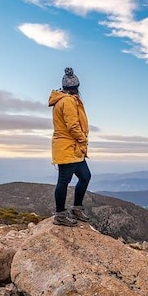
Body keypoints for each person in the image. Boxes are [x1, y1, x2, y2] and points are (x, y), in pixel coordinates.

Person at [48, 67, 92, 226]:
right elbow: (73, 126)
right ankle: (60, 215)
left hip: (72, 148)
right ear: (76, 88)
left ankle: (76, 208)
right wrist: (83, 140)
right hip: (68, 147)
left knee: (85, 176)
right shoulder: (67, 101)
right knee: (63, 181)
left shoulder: (66, 100)